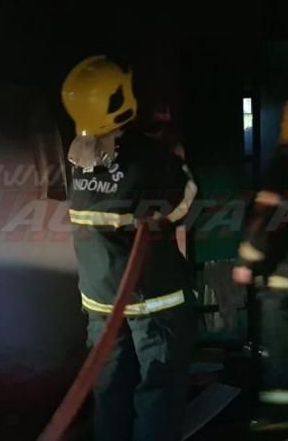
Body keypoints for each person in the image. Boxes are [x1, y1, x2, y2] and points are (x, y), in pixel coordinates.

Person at [61, 55, 197, 441]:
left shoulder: (77, 157)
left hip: (101, 301)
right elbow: (185, 207)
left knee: (110, 389)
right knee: (158, 391)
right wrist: (176, 161)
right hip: (153, 300)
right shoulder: (151, 158)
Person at [233, 100, 288, 425]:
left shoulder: (281, 166)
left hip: (278, 278)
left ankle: (279, 416)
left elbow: (264, 219)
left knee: (278, 350)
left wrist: (246, 261)